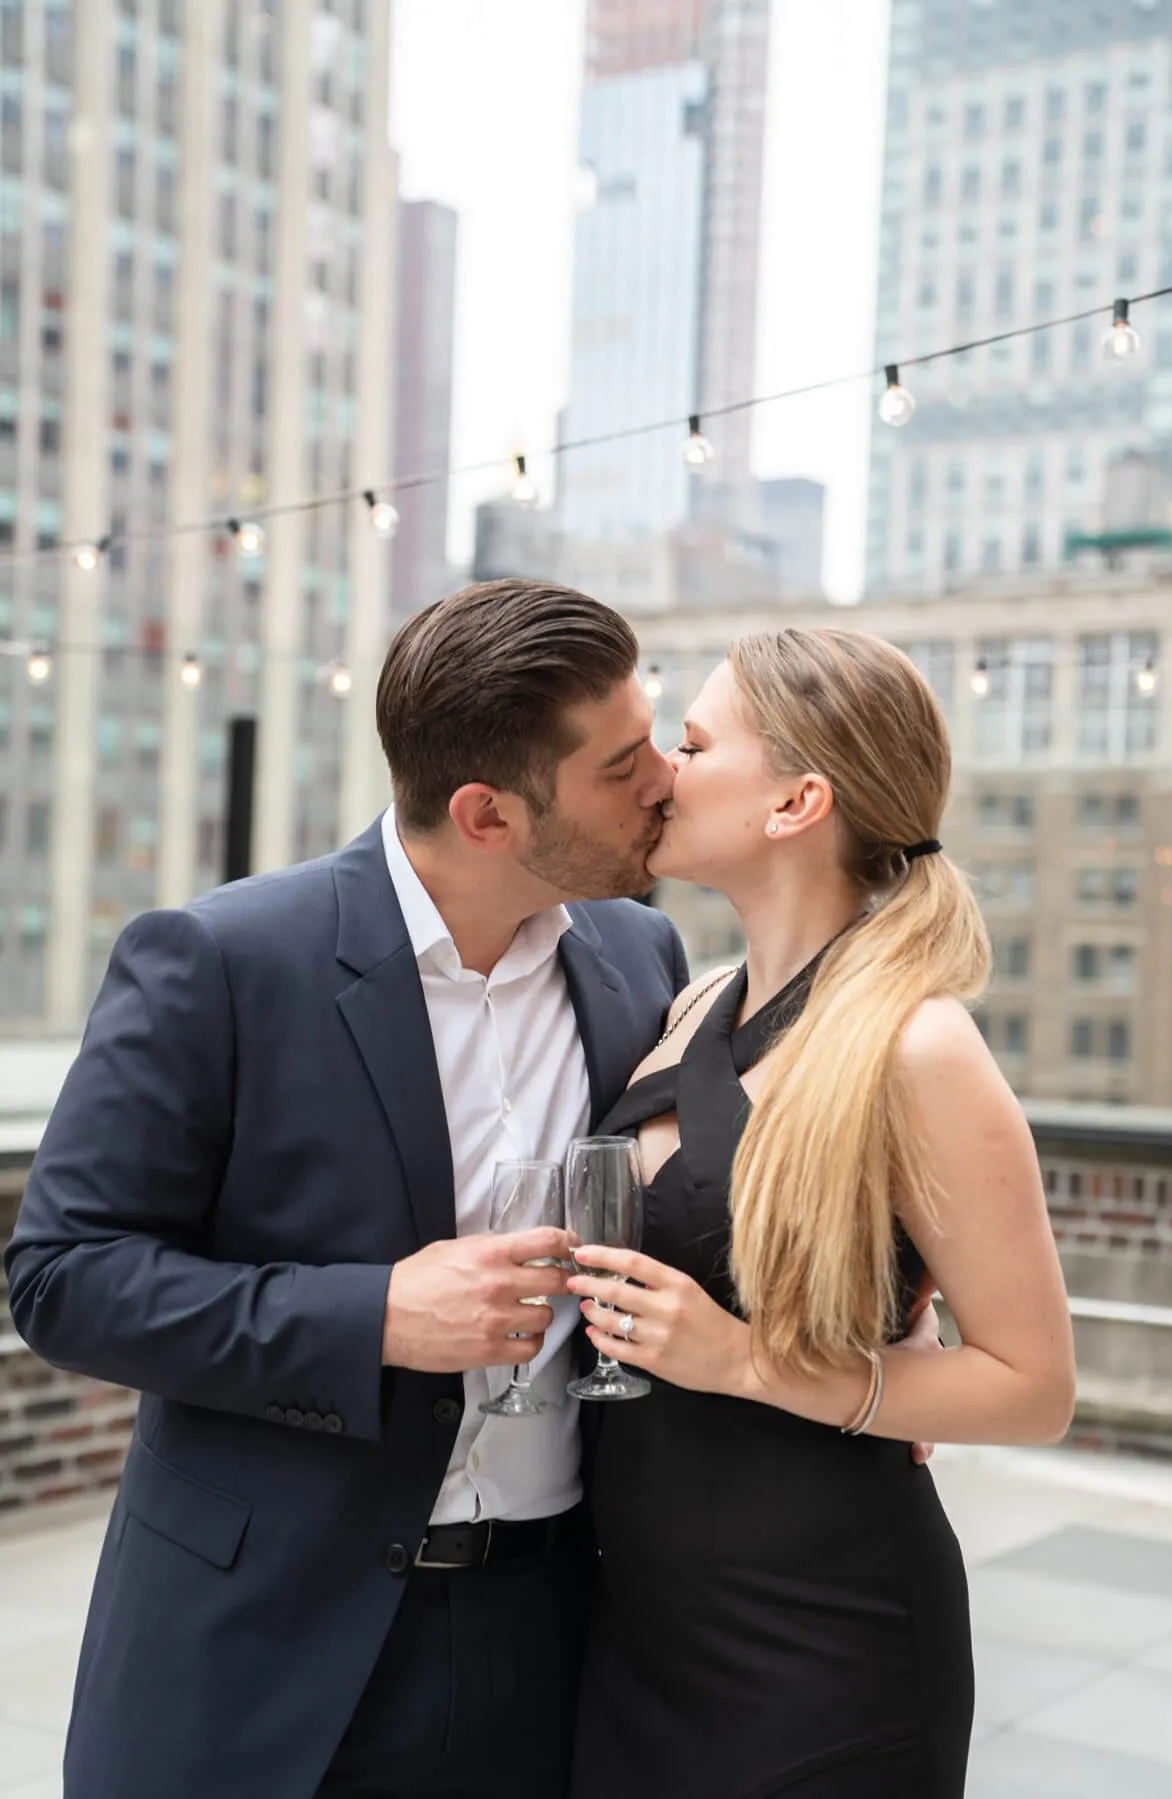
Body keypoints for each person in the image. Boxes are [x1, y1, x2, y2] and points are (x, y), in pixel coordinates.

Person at [4, 579, 689, 1799]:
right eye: (621, 764)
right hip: (260, 1647)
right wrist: (373, 1315)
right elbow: (64, 1277)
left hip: (546, 1635)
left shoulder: (643, 956)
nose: (665, 782)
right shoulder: (220, 958)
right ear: (486, 812)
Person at [566, 628, 1076, 1799]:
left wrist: (747, 1359)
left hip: (819, 1645)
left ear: (797, 801)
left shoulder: (919, 1046)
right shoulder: (693, 1001)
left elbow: (1034, 1387)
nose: (662, 769)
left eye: (695, 744)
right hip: (637, 1625)